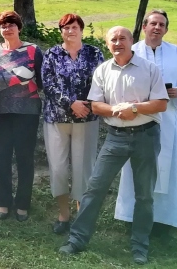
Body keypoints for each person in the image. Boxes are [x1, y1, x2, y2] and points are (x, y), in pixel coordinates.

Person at [59, 26, 168, 265]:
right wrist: (118, 110)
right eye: (113, 40)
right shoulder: (102, 70)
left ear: (131, 41)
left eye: (122, 38)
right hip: (116, 136)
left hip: (146, 136)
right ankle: (77, 239)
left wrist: (135, 109)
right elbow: (96, 106)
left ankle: (140, 247)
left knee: (145, 195)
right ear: (108, 44)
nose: (118, 43)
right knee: (94, 189)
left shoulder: (150, 69)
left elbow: (161, 103)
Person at [115, 10, 177, 234]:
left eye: (161, 24)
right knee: (138, 167)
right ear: (144, 27)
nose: (157, 27)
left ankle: (164, 220)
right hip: (139, 118)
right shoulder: (133, 52)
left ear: (166, 29)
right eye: (153, 23)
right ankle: (132, 218)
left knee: (167, 168)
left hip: (168, 119)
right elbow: (119, 79)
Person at [41, 14, 104, 234]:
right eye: (66, 27)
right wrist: (70, 103)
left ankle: (80, 217)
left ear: (81, 30)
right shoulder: (51, 54)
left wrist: (85, 105)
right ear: (61, 31)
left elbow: (102, 82)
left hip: (86, 118)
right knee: (58, 169)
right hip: (56, 119)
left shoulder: (94, 53)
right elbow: (47, 84)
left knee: (83, 170)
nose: (70, 31)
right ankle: (63, 215)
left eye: (74, 27)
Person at [0, 10, 43, 221]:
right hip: (0, 112)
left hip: (27, 112)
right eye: (3, 25)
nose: (7, 28)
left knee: (24, 159)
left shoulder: (33, 50)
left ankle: (22, 204)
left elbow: (43, 81)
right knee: (1, 159)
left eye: (11, 24)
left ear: (19, 27)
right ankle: (3, 203)